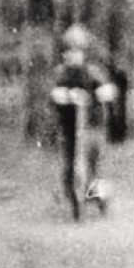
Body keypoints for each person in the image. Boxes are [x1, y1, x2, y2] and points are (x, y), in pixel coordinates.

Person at [50, 24, 116, 216]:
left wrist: (100, 94)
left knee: (94, 164)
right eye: (68, 51)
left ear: (84, 52)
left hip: (92, 126)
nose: (72, 55)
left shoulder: (93, 72)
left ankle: (99, 196)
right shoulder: (61, 73)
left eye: (76, 50)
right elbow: (54, 93)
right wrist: (67, 96)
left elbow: (107, 90)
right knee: (69, 165)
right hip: (70, 129)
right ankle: (72, 195)